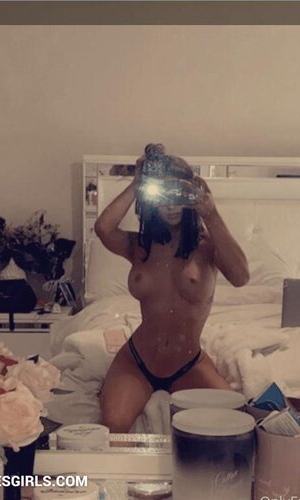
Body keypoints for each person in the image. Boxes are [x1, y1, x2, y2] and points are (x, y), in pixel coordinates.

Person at [95, 143, 249, 432]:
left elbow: (241, 277)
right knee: (113, 425)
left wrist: (211, 214)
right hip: (136, 361)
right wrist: (138, 182)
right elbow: (103, 228)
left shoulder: (207, 246)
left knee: (235, 422)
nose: (172, 204)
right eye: (163, 194)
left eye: (179, 193)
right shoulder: (139, 245)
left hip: (188, 363)